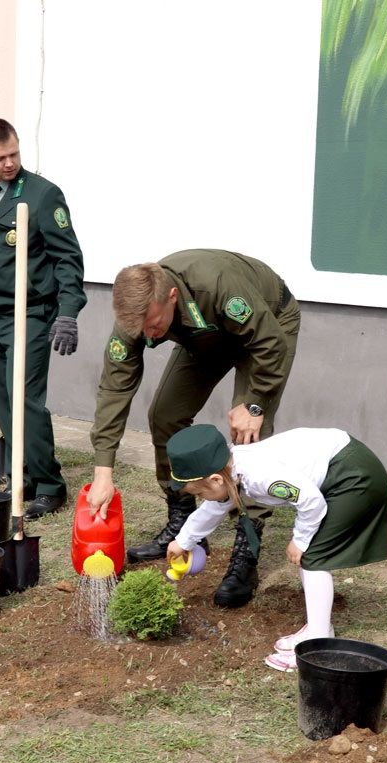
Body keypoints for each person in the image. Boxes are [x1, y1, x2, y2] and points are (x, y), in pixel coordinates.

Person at [86, 250, 301, 608]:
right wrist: (103, 471)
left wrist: (255, 405)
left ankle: (247, 548)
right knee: (165, 415)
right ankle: (184, 524)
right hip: (205, 334)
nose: (148, 335)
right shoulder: (137, 316)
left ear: (171, 296)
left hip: (268, 327)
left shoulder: (217, 286)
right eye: (140, 330)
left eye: (153, 325)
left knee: (248, 436)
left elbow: (270, 343)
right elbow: (114, 388)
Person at [165, 424, 387, 670]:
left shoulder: (261, 476)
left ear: (216, 479)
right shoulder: (232, 470)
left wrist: (300, 539)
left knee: (313, 555)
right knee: (311, 554)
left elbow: (311, 501)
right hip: (341, 464)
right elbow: (214, 507)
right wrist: (183, 541)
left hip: (353, 475)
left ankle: (318, 644)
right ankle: (318, 629)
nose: (201, 498)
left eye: (199, 493)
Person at [0, 117, 86, 520]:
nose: (9, 163)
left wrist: (68, 314)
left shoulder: (43, 195)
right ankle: (19, 475)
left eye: (14, 154)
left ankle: (49, 484)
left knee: (25, 399)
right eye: (0, 158)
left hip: (32, 314)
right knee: (4, 400)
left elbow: (68, 259)